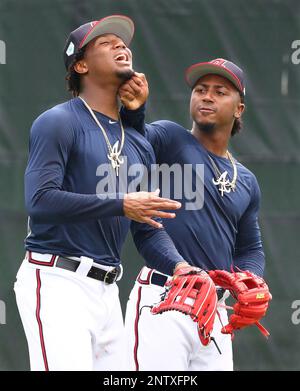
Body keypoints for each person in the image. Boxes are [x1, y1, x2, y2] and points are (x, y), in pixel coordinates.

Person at [13, 15, 189, 371]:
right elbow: (39, 200)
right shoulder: (58, 121)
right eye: (106, 44)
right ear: (80, 64)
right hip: (58, 281)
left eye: (123, 42)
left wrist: (181, 267)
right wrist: (122, 203)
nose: (121, 46)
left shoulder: (138, 140)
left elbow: (144, 226)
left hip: (109, 292)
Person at [120, 58, 268, 371]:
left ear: (239, 108)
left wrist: (251, 277)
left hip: (214, 309)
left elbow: (249, 248)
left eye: (219, 91)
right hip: (164, 295)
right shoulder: (171, 139)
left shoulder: (247, 180)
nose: (207, 96)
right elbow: (132, 142)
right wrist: (134, 111)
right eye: (200, 89)